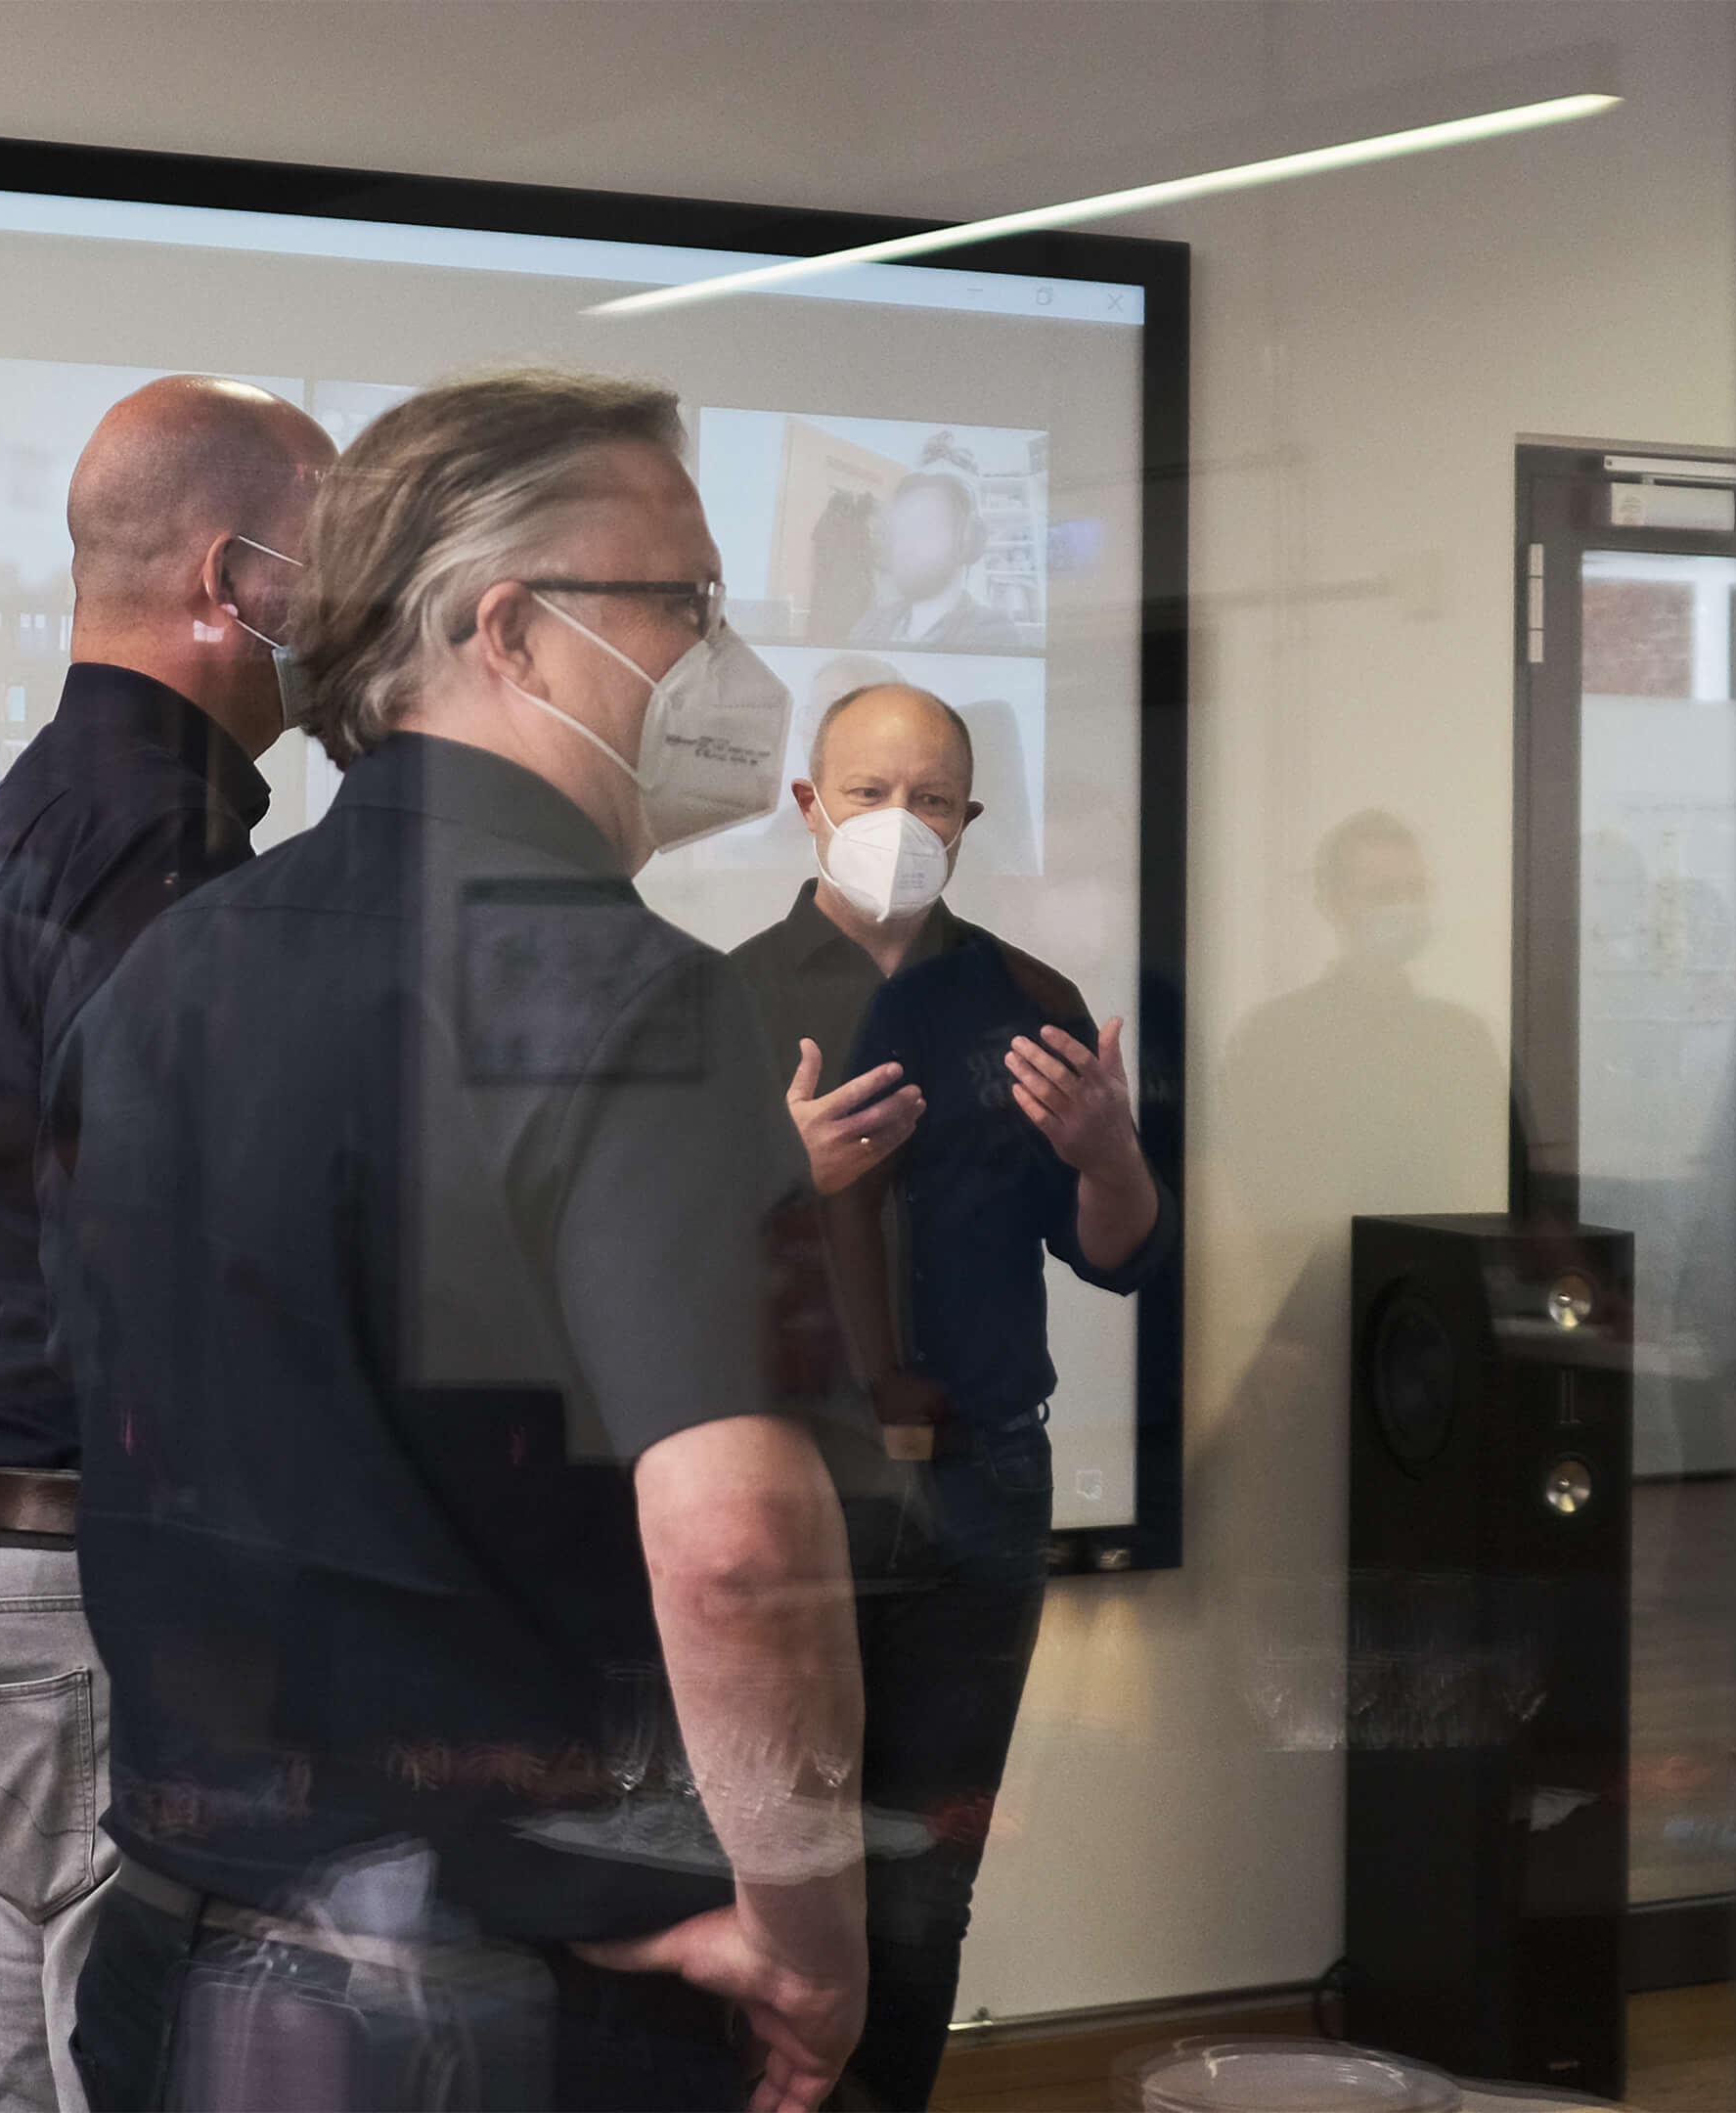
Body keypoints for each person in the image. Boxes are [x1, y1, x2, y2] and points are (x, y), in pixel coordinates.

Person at [47, 369, 879, 2113]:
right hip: (491, 2006)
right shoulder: (634, 998)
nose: (725, 665)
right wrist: (809, 1928)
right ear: (512, 631)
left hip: (176, 1947)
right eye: (686, 605)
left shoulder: (167, 978)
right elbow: (735, 1544)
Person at [0, 375, 336, 2113]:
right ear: (238, 582)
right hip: (80, 1594)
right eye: (341, 556)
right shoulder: (173, 855)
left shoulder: (6, 830)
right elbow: (167, 1262)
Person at [726, 681, 1157, 2109]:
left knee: (926, 1887)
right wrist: (780, 1183)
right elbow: (646, 1275)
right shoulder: (723, 1002)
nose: (898, 825)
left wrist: (1110, 1157)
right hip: (791, 1491)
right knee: (776, 1877)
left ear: (969, 822)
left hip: (979, 1491)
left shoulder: (1026, 1002)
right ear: (808, 803)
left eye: (931, 800)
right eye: (868, 793)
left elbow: (1116, 1256)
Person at [847, 466, 1023, 652]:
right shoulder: (867, 627)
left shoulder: (994, 635)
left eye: (924, 526)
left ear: (965, 539)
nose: (905, 543)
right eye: (901, 529)